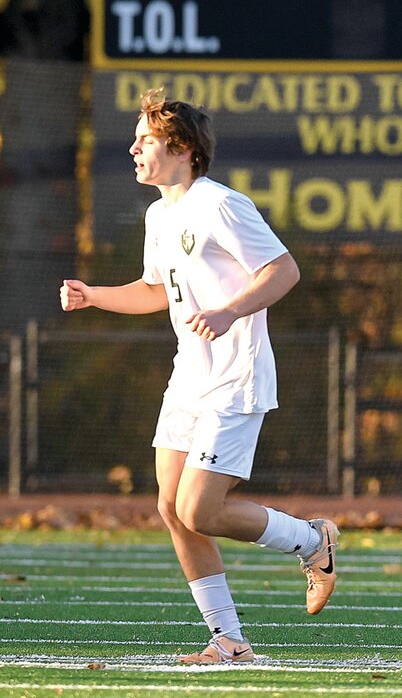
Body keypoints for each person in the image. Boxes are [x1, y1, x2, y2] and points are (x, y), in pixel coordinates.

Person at [58, 89, 338, 665]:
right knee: (170, 507)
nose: (134, 147)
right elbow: (156, 290)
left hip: (236, 375)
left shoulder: (219, 204)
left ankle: (313, 540)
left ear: (181, 147)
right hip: (190, 377)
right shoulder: (160, 214)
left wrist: (230, 310)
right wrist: (95, 296)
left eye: (145, 139)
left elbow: (284, 270)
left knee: (200, 510)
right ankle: (229, 641)